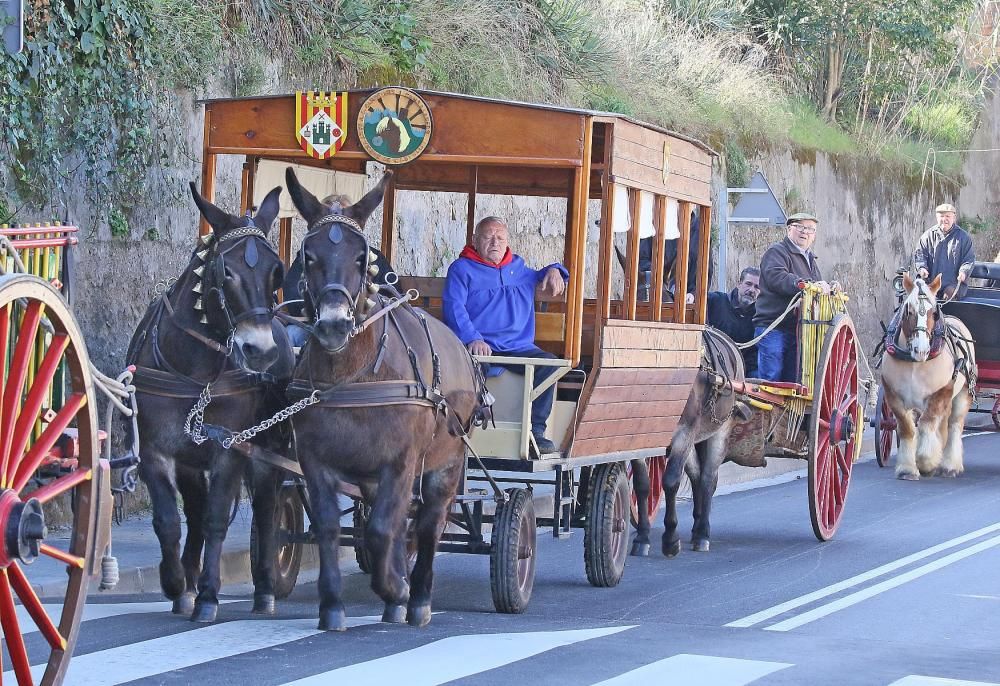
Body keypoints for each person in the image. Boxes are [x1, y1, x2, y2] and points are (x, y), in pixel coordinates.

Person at [443, 217, 568, 454]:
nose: (495, 242)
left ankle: (536, 432)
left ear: (508, 241)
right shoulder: (461, 269)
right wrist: (472, 338)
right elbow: (454, 307)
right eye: (488, 236)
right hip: (479, 347)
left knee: (550, 365)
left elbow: (543, 274)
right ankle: (465, 431)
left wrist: (555, 270)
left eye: (500, 237)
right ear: (475, 241)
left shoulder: (518, 268)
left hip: (518, 348)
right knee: (467, 368)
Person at [753, 213, 840, 382]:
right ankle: (767, 409)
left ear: (814, 236)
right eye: (800, 227)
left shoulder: (810, 259)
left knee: (795, 380)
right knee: (772, 379)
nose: (804, 232)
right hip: (773, 326)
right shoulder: (777, 251)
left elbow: (816, 286)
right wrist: (804, 284)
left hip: (801, 329)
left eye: (810, 229)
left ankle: (791, 409)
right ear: (789, 229)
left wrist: (829, 288)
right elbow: (776, 277)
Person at [913, 203, 976, 301]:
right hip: (931, 282)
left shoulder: (963, 238)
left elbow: (968, 259)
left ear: (953, 218)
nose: (944, 219)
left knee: (948, 295)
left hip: (953, 284)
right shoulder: (927, 236)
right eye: (941, 216)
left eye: (948, 216)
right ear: (937, 217)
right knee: (924, 299)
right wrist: (922, 268)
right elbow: (920, 255)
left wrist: (964, 272)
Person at [706, 267, 760, 376]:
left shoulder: (760, 316)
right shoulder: (715, 301)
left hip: (744, 373)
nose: (751, 290)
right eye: (748, 284)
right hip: (713, 367)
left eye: (757, 287)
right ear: (739, 284)